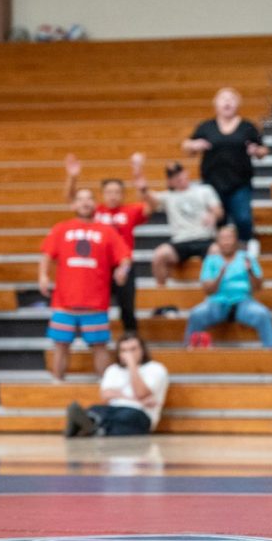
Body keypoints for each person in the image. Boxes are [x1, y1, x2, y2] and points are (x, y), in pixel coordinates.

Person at [39, 189, 132, 382]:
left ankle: (107, 387)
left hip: (95, 302)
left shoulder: (107, 231)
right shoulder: (61, 228)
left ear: (95, 204)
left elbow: (124, 257)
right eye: (80, 199)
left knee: (99, 346)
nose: (85, 203)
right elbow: (46, 255)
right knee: (60, 345)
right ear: (73, 205)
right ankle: (57, 386)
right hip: (65, 302)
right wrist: (43, 276)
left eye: (89, 198)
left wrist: (122, 270)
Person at [65, 154, 150, 330]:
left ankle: (132, 340)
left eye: (117, 192)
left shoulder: (129, 211)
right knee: (93, 307)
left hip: (123, 265)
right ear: (102, 195)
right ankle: (93, 338)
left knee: (127, 307)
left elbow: (149, 206)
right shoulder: (95, 212)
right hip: (98, 267)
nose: (113, 196)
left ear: (123, 194)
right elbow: (71, 201)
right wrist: (72, 178)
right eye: (109, 192)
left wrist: (138, 175)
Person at [182, 88, 267, 251]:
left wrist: (256, 151)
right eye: (223, 99)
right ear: (215, 104)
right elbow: (187, 146)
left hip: (240, 182)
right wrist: (194, 145)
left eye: (231, 99)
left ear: (238, 104)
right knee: (217, 220)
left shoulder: (247, 127)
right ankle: (220, 253)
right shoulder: (206, 127)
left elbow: (263, 150)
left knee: (243, 218)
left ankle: (246, 249)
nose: (227, 102)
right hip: (212, 183)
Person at [183, 225, 272, 348]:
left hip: (243, 302)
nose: (227, 241)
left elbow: (258, 287)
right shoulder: (211, 260)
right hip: (216, 303)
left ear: (236, 240)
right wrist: (219, 276)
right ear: (218, 241)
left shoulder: (247, 258)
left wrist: (250, 271)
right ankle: (188, 354)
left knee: (263, 314)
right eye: (223, 238)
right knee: (196, 314)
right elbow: (208, 290)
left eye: (229, 238)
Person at [65, 333, 169, 437]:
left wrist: (132, 365)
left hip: (139, 412)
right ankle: (94, 428)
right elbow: (105, 396)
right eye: (124, 350)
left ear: (142, 350)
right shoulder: (113, 369)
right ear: (119, 353)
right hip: (113, 409)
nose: (129, 354)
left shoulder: (156, 368)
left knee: (126, 417)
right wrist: (134, 398)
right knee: (95, 410)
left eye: (133, 349)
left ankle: (89, 428)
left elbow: (141, 393)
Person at [138, 162, 223, 287]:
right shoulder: (167, 196)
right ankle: (162, 294)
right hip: (180, 240)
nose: (178, 177)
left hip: (205, 238)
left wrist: (213, 215)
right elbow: (150, 198)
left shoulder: (204, 190)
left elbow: (218, 210)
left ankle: (217, 288)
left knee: (217, 251)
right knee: (159, 255)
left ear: (186, 173)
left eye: (180, 173)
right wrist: (140, 179)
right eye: (173, 176)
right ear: (169, 181)